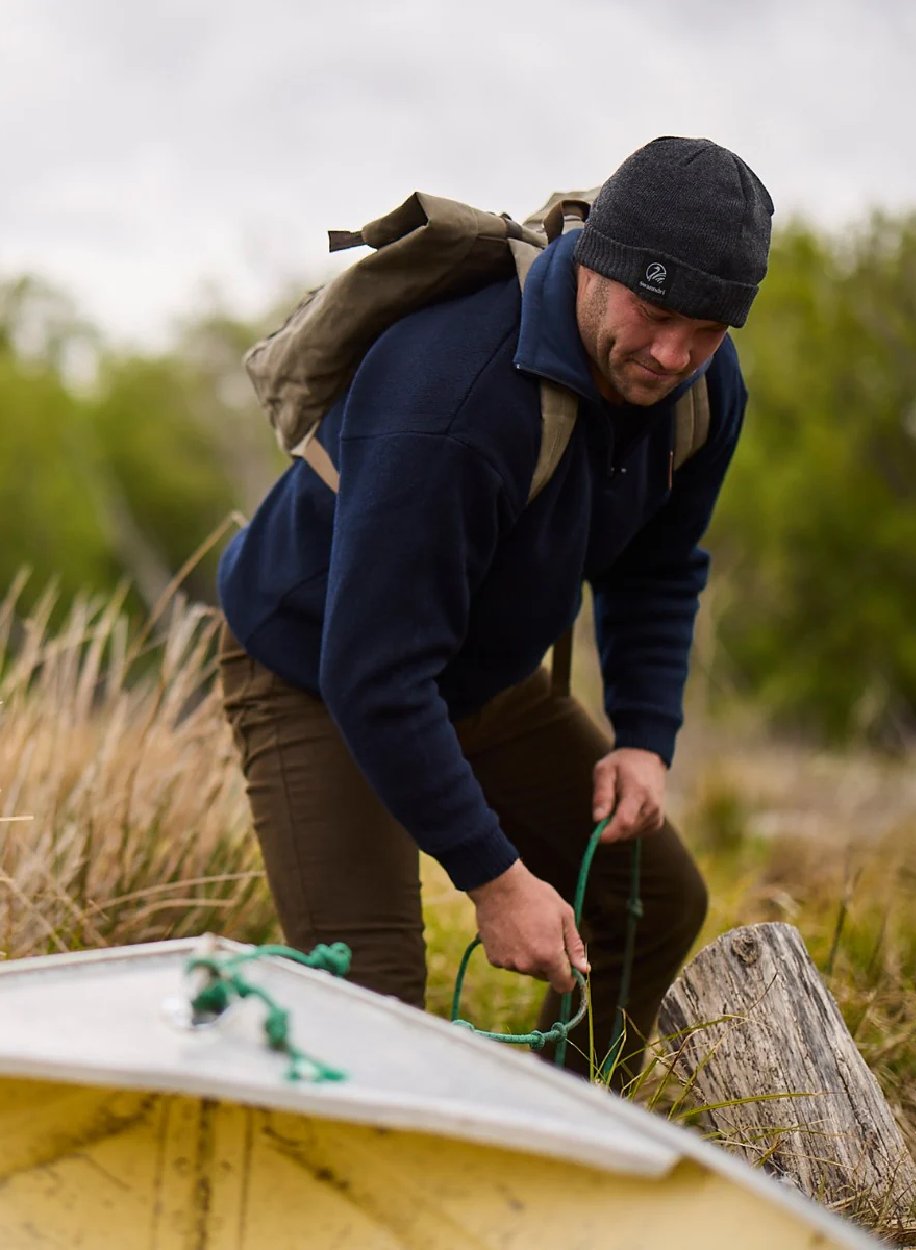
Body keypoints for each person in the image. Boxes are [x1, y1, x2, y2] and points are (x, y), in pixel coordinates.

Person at [217, 136, 773, 1084]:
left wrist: (644, 737)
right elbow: (376, 670)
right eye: (657, 311)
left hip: (480, 673)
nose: (673, 354)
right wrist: (496, 877)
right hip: (316, 668)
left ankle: (552, 1136)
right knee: (371, 1010)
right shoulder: (457, 393)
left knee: (654, 905)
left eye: (710, 329)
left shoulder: (700, 391)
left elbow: (658, 567)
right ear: (596, 258)